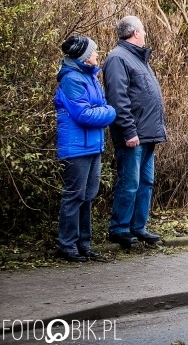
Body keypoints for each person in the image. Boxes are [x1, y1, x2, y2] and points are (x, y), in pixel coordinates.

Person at [103, 16, 167, 248]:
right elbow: (118, 99)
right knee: (129, 182)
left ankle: (138, 227)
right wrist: (129, 131)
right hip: (133, 136)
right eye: (143, 29)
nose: (145, 34)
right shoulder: (118, 58)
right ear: (136, 32)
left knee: (145, 182)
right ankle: (119, 229)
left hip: (147, 133)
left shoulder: (138, 59)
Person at [54, 35, 117, 262]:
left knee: (88, 195)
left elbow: (94, 110)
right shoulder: (71, 79)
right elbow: (84, 114)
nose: (97, 54)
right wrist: (110, 113)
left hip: (92, 145)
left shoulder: (89, 76)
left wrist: (101, 111)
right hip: (76, 147)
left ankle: (84, 243)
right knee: (74, 196)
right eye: (94, 51)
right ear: (83, 56)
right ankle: (67, 245)